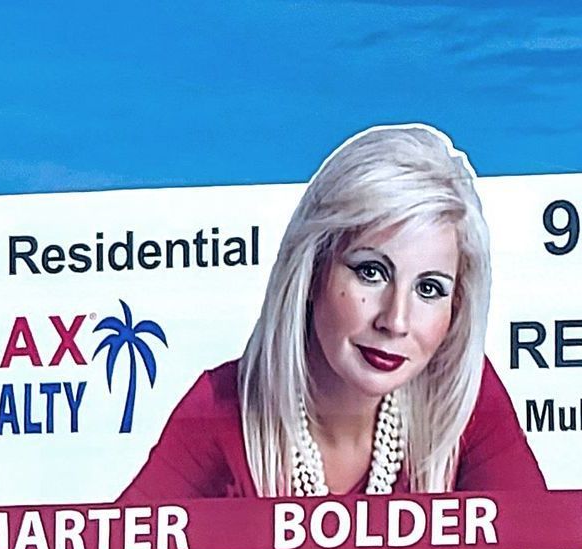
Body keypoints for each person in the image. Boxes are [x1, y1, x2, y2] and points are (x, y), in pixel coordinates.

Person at [117, 125, 545, 502]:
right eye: (371, 272)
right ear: (312, 269)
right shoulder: (221, 410)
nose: (395, 320)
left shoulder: (462, 395)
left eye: (429, 289)